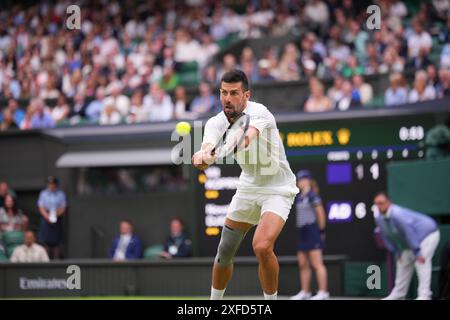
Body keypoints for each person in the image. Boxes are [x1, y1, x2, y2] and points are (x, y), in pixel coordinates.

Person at [192, 70, 299, 300]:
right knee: (225, 250)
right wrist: (201, 157)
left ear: (246, 95)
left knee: (261, 246)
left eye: (233, 93)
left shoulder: (260, 113)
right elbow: (206, 148)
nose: (227, 98)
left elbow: (244, 140)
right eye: (223, 93)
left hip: (278, 188)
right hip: (248, 187)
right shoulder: (216, 122)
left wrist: (215, 154)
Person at [374, 192, 440, 300]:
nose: (379, 206)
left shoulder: (397, 214)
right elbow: (387, 236)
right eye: (376, 203)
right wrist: (397, 251)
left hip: (427, 234)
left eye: (381, 203)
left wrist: (417, 252)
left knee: (421, 262)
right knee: (402, 262)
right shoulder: (379, 219)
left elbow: (409, 232)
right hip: (411, 241)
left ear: (388, 202)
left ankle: (425, 295)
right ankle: (399, 294)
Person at [290, 170, 329, 300]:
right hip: (302, 232)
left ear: (308, 181)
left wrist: (321, 231)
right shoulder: (299, 197)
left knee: (317, 263)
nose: (300, 182)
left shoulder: (313, 196)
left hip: (312, 231)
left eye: (303, 180)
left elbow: (321, 214)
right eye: (299, 180)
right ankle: (305, 291)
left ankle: (323, 292)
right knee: (303, 264)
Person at [37, 176, 67, 259]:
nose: (51, 186)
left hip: (57, 217)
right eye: (49, 184)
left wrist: (55, 216)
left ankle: (56, 260)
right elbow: (41, 206)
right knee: (45, 241)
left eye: (53, 184)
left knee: (57, 243)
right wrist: (47, 216)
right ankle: (46, 260)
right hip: (46, 217)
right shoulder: (43, 193)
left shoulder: (61, 194)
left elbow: (63, 207)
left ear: (56, 185)